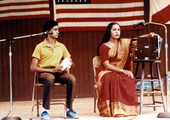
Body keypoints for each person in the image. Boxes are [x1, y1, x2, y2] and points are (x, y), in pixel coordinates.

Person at [30, 20, 79, 119]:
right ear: (48, 31)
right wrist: (51, 70)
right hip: (45, 73)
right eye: (55, 30)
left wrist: (68, 63)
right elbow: (33, 67)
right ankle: (45, 111)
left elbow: (73, 65)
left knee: (72, 79)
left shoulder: (61, 46)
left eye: (58, 30)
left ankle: (69, 109)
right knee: (50, 78)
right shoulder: (40, 47)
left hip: (58, 72)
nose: (58, 32)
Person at [94, 22, 138, 117]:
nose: (117, 32)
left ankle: (126, 109)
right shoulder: (104, 46)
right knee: (111, 78)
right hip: (106, 71)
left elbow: (136, 43)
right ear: (109, 32)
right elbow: (107, 65)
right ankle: (111, 110)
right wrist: (123, 71)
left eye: (118, 30)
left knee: (129, 78)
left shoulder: (124, 43)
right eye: (114, 30)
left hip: (119, 70)